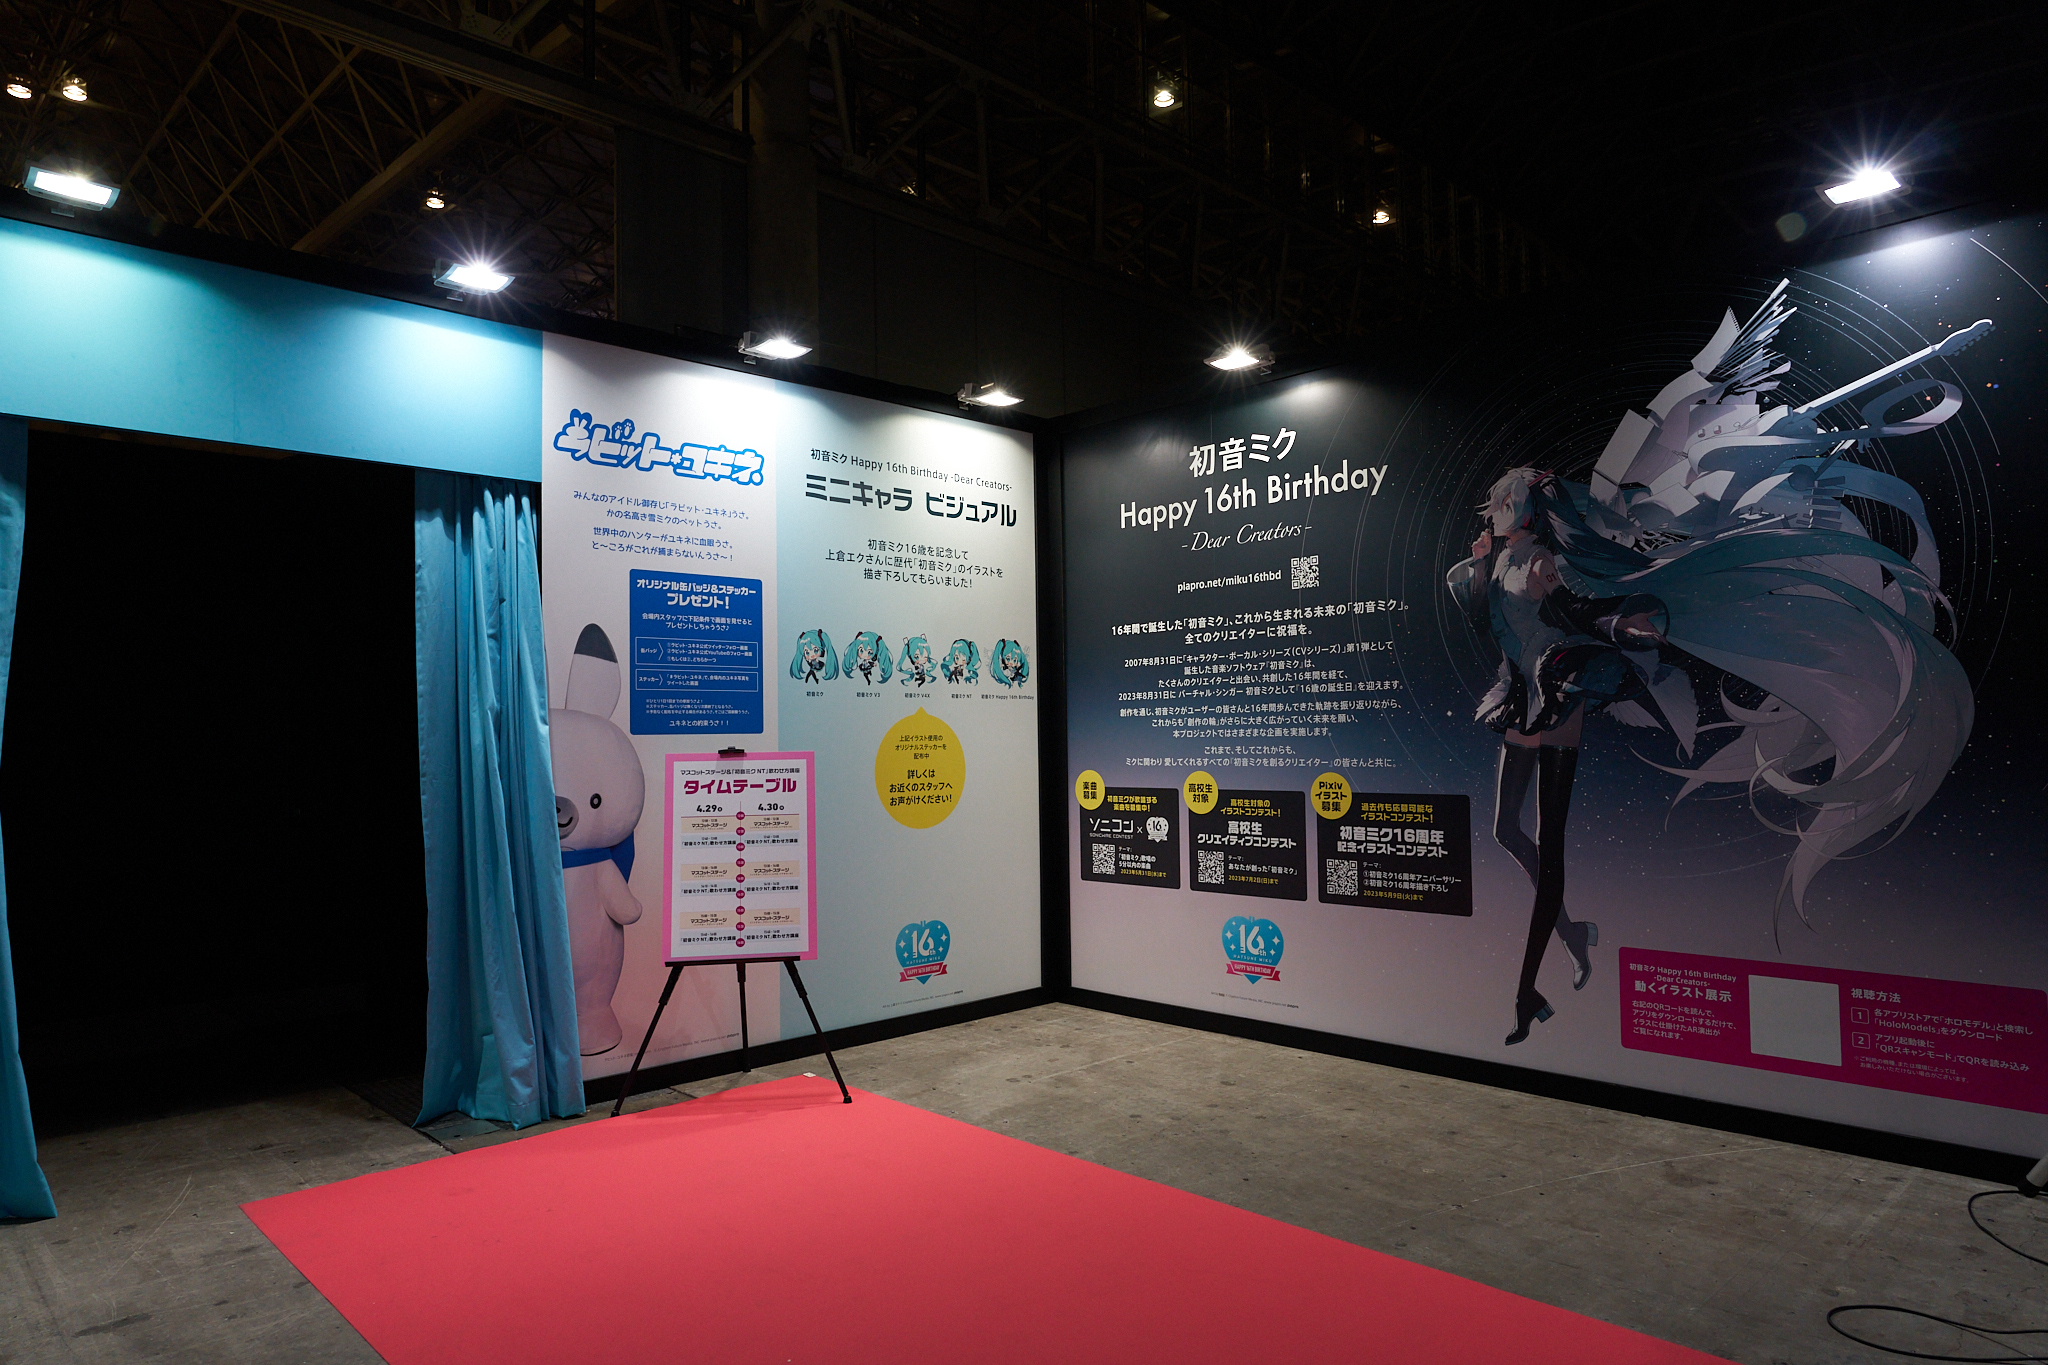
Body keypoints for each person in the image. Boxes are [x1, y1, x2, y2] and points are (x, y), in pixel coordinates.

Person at [1447, 469, 1668, 1045]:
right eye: (1494, 501)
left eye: (1506, 500)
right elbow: (1483, 620)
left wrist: (1623, 623)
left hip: (1558, 692)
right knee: (1504, 830)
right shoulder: (1499, 558)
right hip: (1519, 695)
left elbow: (1577, 610)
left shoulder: (1542, 559)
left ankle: (1526, 993)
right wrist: (1480, 565)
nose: (1496, 508)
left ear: (1527, 507)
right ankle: (1572, 933)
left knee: (1550, 844)